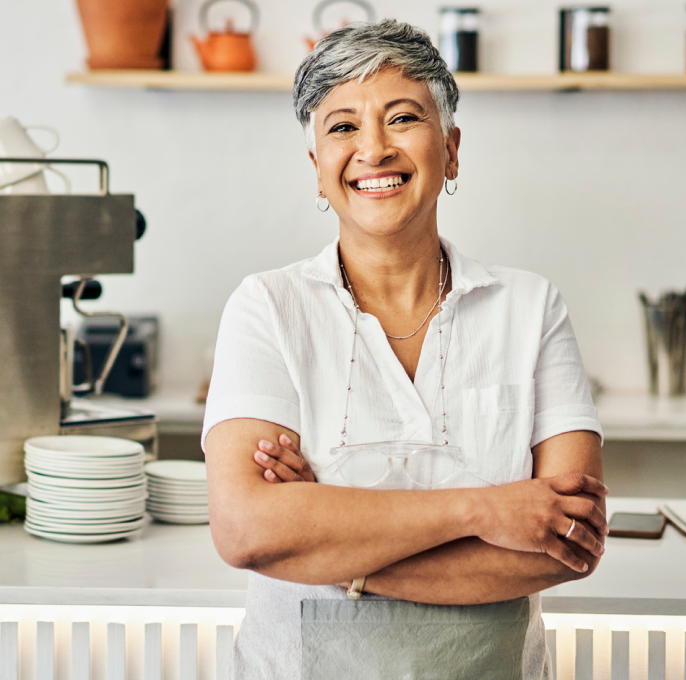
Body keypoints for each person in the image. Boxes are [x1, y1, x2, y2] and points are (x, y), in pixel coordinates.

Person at [201, 18, 606, 680]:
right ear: (318, 169)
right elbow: (246, 530)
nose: (373, 148)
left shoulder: (531, 309)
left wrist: (330, 545)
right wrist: (488, 509)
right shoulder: (268, 308)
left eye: (402, 118)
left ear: (450, 149)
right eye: (342, 127)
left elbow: (567, 542)